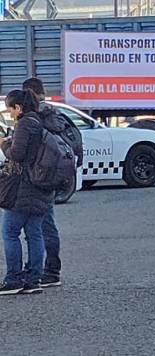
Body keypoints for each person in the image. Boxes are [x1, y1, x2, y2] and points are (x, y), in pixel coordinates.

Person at [22, 77, 83, 288]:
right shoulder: (55, 113)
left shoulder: (37, 116)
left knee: (38, 228)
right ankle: (50, 270)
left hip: (39, 177)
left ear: (29, 93)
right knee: (47, 225)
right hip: (54, 176)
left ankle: (43, 272)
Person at [0, 90, 55, 295]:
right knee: (34, 233)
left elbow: (17, 154)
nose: (10, 113)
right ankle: (34, 280)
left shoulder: (24, 124)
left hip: (23, 187)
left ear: (19, 107)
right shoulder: (41, 122)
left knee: (10, 232)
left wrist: (4, 144)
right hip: (41, 184)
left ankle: (13, 279)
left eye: (10, 109)